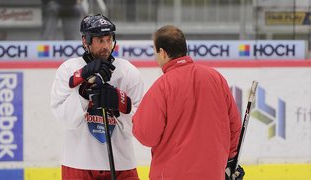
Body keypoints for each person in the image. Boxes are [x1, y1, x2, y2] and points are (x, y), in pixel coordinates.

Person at [132, 25, 245, 180]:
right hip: (212, 173)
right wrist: (230, 160)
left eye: (155, 51)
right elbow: (234, 125)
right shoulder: (215, 77)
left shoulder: (162, 86)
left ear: (163, 53)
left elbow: (146, 135)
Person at [51, 14, 144, 179]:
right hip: (78, 164)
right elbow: (64, 120)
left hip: (122, 164)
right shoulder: (68, 69)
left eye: (109, 40)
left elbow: (140, 127)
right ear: (85, 41)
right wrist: (84, 94)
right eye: (100, 40)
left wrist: (121, 105)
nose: (106, 46)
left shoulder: (129, 72)